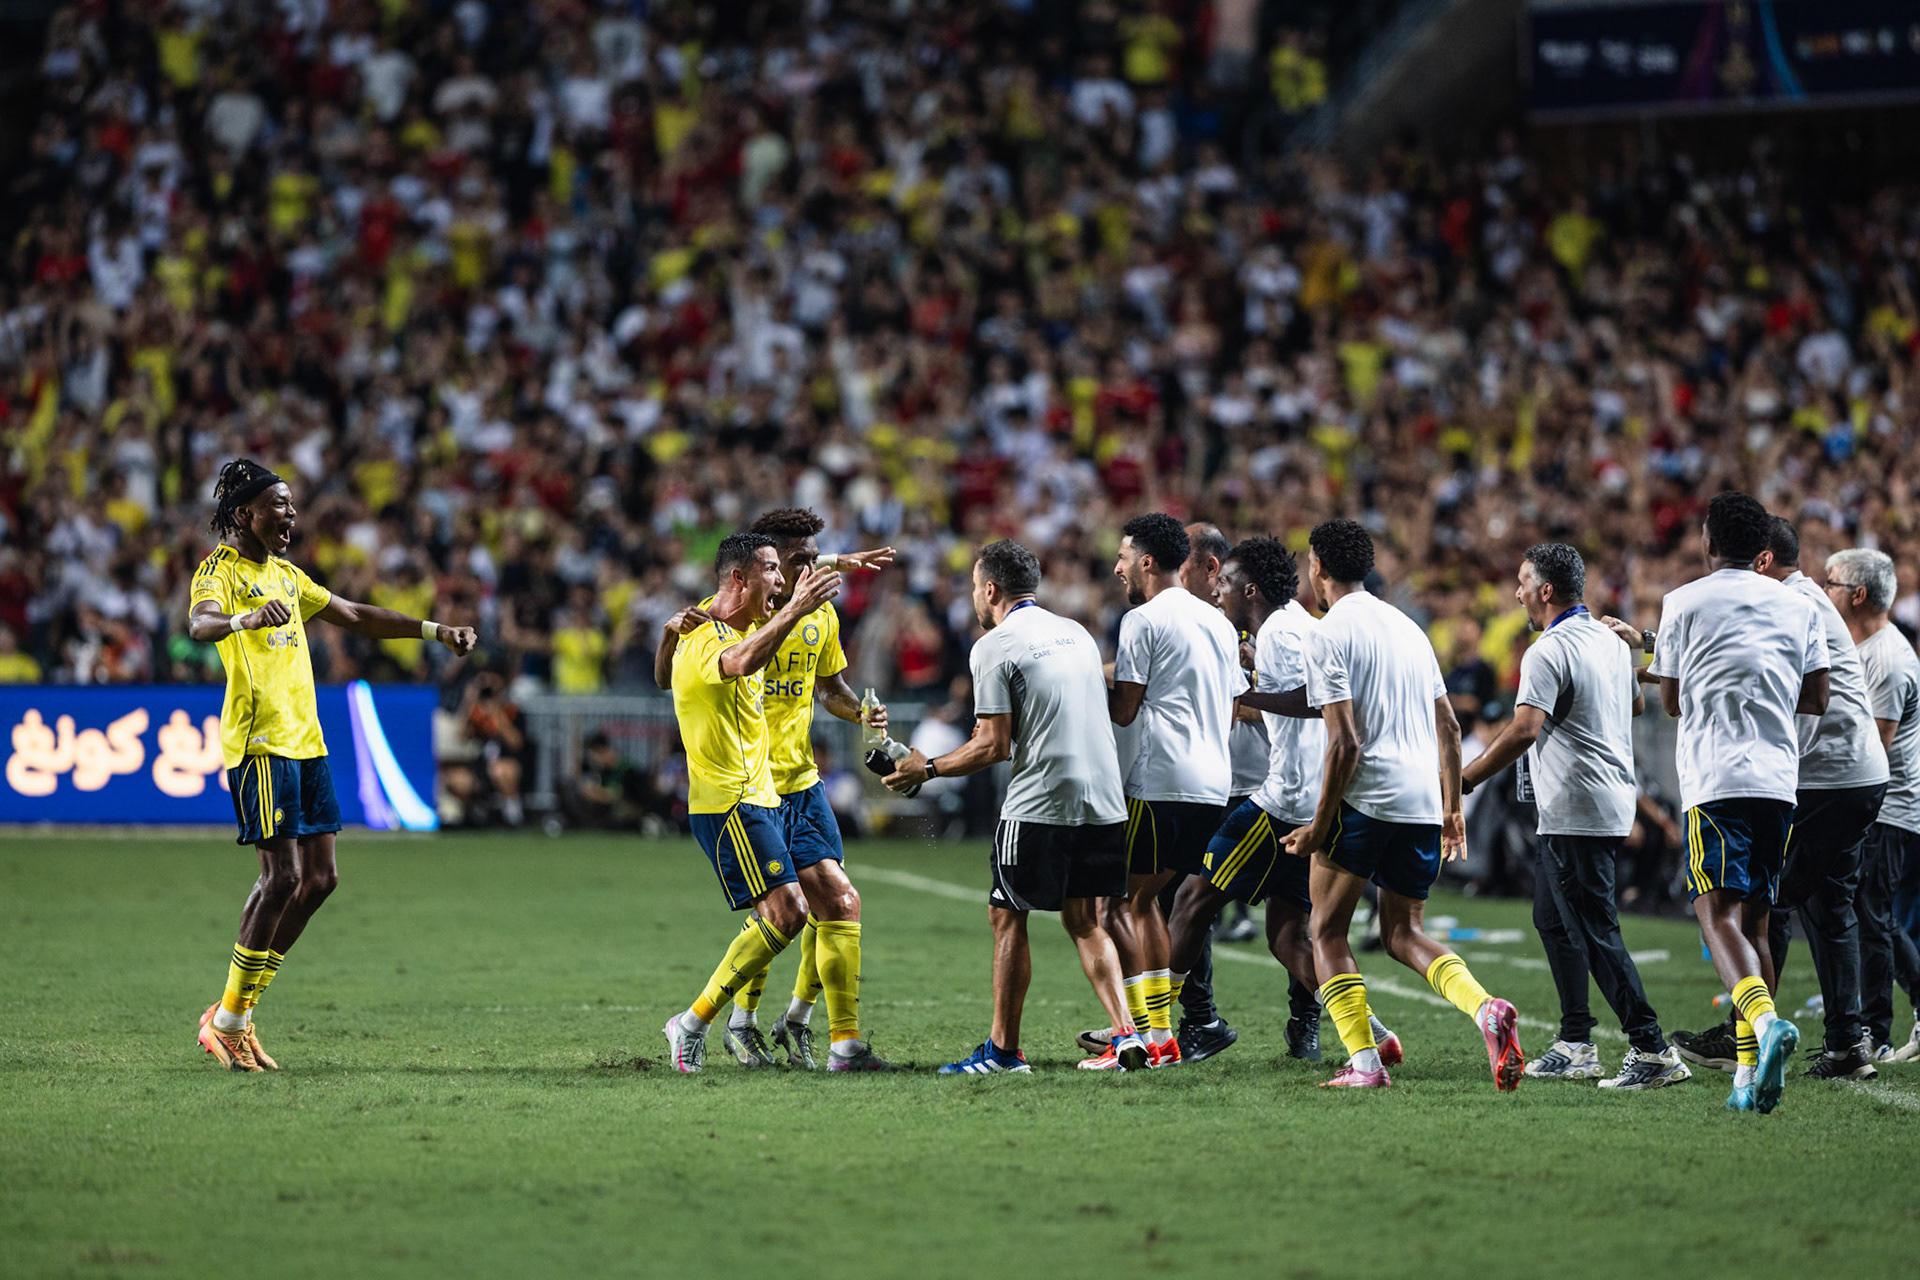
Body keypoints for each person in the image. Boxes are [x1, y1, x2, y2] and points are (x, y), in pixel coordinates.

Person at [189, 459, 477, 1072]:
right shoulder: (220, 572)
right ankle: (231, 1021)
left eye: (292, 505)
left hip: (308, 743)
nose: (291, 515)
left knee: (320, 881)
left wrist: (435, 630)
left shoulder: (289, 577)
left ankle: (230, 1014)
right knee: (281, 880)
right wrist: (241, 618)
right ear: (245, 513)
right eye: (279, 506)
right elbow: (199, 623)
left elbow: (354, 615)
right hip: (261, 745)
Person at [882, 540, 1147, 1074]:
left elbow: (993, 746)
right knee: (1085, 920)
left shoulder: (994, 646)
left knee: (1007, 916)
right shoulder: (1075, 631)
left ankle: (1003, 1052)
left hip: (1041, 802)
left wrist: (924, 768)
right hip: (1105, 800)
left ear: (990, 589)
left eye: (974, 588)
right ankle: (1126, 1034)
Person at [1280, 519, 1522, 1089]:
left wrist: (1318, 827)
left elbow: (1344, 742)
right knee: (1402, 932)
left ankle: (1364, 1064)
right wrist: (1451, 807)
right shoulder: (1410, 629)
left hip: (1365, 798)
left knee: (1327, 933)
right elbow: (1450, 724)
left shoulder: (1326, 632)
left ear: (1318, 567)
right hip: (1419, 802)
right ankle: (1485, 1008)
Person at [653, 509, 894, 1070]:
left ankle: (833, 1040)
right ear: (761, 570)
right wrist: (670, 637)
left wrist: (862, 713)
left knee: (834, 901)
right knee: (783, 911)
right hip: (737, 793)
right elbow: (713, 658)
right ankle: (727, 1021)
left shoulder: (809, 615)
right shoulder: (722, 625)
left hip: (792, 782)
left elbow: (828, 686)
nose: (801, 574)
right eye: (792, 563)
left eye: (813, 561)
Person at [1466, 544, 1686, 1089]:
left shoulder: (1547, 651)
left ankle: (1652, 1048)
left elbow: (1523, 730)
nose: (1516, 592)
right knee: (1552, 918)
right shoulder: (1611, 641)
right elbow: (1635, 706)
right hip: (1593, 800)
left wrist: (1464, 779)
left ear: (1545, 591)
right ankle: (1576, 1040)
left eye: (1522, 581)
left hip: (1577, 808)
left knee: (1593, 932)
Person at [1636, 492, 1828, 1112]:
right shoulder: (1798, 604)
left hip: (1717, 779)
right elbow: (1818, 696)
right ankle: (1748, 1078)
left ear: (1707, 541)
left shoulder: (1682, 602)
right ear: (1762, 548)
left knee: (1715, 914)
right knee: (1759, 924)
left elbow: (1669, 700)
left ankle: (1766, 1024)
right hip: (1778, 780)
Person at [1165, 537, 1334, 1065]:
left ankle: (1146, 1027)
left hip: (1281, 800)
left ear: (1251, 589)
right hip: (1312, 801)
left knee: (1190, 903)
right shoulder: (1297, 625)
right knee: (1288, 937)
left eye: (1225, 583)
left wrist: (1243, 695)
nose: (1217, 592)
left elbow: (1314, 701)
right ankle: (1365, 1026)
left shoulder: (1281, 631)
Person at [1084, 513, 1241, 1070]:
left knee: (1115, 904)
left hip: (1160, 782)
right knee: (1145, 900)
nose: (1118, 567)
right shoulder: (1220, 623)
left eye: (1123, 557)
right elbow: (1230, 705)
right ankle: (1161, 1037)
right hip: (1212, 786)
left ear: (1147, 561)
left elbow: (1125, 712)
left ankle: (1146, 1035)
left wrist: (1076, 692)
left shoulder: (1142, 620)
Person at [1757, 518, 1888, 1080]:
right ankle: (1846, 1046)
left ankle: (1747, 1031)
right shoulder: (1805, 600)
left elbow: (1798, 696)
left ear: (1761, 560)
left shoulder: (1792, 605)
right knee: (1830, 909)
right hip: (1854, 778)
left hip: (1830, 780)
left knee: (1770, 898)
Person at [1823, 548, 1920, 1062]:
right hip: (1877, 806)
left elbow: (1874, 750)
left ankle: (1876, 1032)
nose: (1823, 590)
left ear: (1857, 595)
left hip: (1888, 806)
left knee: (1873, 915)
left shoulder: (1885, 659)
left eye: (1831, 582)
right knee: (1871, 913)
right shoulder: (1864, 647)